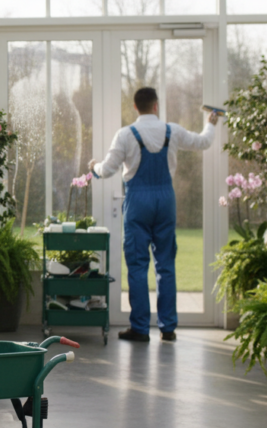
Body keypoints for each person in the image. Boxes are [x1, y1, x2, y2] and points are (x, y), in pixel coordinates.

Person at [88, 87, 219, 342]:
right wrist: (211, 123)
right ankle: (168, 328)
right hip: (165, 200)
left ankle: (139, 328)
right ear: (156, 106)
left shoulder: (125, 134)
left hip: (138, 201)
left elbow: (107, 170)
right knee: (166, 264)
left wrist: (94, 168)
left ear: (135, 107)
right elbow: (203, 141)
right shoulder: (173, 131)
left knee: (137, 265)